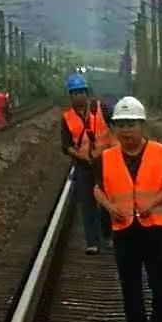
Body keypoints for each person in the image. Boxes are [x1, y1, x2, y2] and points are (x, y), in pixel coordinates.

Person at [93, 95, 162, 322]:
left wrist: (153, 202)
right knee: (131, 290)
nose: (126, 131)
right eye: (121, 125)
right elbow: (97, 188)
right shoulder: (106, 157)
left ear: (142, 126)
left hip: (154, 230)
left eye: (131, 124)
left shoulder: (160, 152)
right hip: (124, 231)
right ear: (114, 128)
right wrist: (109, 207)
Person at [61, 71, 111, 254]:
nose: (78, 96)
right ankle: (92, 241)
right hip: (83, 167)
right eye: (74, 93)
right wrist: (82, 156)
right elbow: (66, 145)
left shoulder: (101, 109)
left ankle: (108, 236)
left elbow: (114, 129)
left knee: (107, 202)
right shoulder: (67, 117)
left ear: (86, 92)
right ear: (70, 96)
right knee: (87, 204)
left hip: (105, 163)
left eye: (81, 92)